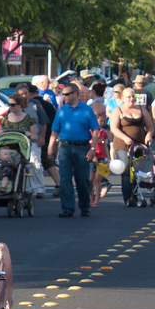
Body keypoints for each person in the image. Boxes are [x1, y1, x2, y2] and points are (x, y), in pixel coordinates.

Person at [48, 83, 101, 217]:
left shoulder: (86, 109)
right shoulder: (62, 110)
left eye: (67, 94)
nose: (64, 97)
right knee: (65, 179)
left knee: (82, 179)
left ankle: (84, 206)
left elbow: (95, 129)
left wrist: (93, 148)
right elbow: (55, 131)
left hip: (82, 147)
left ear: (75, 94)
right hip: (65, 146)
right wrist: (50, 147)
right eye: (63, 94)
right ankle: (67, 208)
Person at [109, 87, 155, 206]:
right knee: (126, 169)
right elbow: (113, 128)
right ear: (123, 98)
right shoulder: (118, 111)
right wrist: (125, 137)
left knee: (139, 168)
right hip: (123, 145)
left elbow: (150, 125)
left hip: (139, 145)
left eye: (133, 97)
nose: (131, 99)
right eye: (128, 97)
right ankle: (128, 196)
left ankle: (136, 192)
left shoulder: (141, 109)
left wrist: (149, 135)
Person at [28, 82, 59, 193]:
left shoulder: (36, 105)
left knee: (47, 161)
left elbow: (44, 122)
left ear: (30, 93)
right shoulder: (46, 104)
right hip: (48, 135)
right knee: (45, 161)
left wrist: (44, 137)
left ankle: (59, 184)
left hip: (43, 136)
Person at [90, 102, 112, 207]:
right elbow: (88, 145)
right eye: (99, 121)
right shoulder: (90, 132)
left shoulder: (103, 133)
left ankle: (96, 200)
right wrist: (92, 155)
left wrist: (108, 157)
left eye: (102, 121)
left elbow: (105, 146)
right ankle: (91, 197)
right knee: (90, 179)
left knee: (98, 179)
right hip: (92, 157)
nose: (101, 123)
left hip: (101, 157)